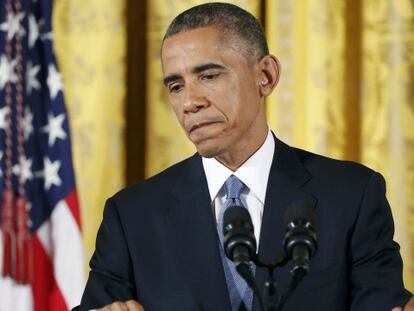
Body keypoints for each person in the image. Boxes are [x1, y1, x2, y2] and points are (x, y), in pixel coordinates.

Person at [75, 3, 414, 311]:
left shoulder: (351, 194)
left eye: (208, 76)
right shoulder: (132, 214)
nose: (189, 102)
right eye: (176, 86)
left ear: (265, 76)